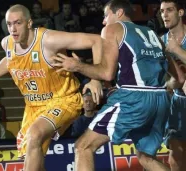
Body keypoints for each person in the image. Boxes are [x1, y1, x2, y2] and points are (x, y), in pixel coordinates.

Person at [52, 0, 184, 170]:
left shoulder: (113, 29)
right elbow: (179, 78)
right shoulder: (152, 33)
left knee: (83, 147)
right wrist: (154, 89)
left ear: (119, 13)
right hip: (160, 100)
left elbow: (107, 73)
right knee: (145, 157)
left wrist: (76, 66)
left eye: (106, 15)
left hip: (134, 98)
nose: (103, 21)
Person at [0, 4, 102, 171]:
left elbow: (96, 40)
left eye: (17, 23)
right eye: (9, 24)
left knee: (34, 135)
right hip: (33, 107)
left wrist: (95, 78)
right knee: (33, 158)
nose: (13, 29)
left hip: (63, 100)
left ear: (29, 23)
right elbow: (11, 60)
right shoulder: (7, 43)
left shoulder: (49, 40)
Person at [160, 0, 186, 170]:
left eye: (169, 10)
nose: (165, 15)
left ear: (180, 12)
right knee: (175, 155)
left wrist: (177, 50)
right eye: (162, 11)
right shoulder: (159, 43)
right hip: (178, 102)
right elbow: (163, 80)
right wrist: (173, 83)